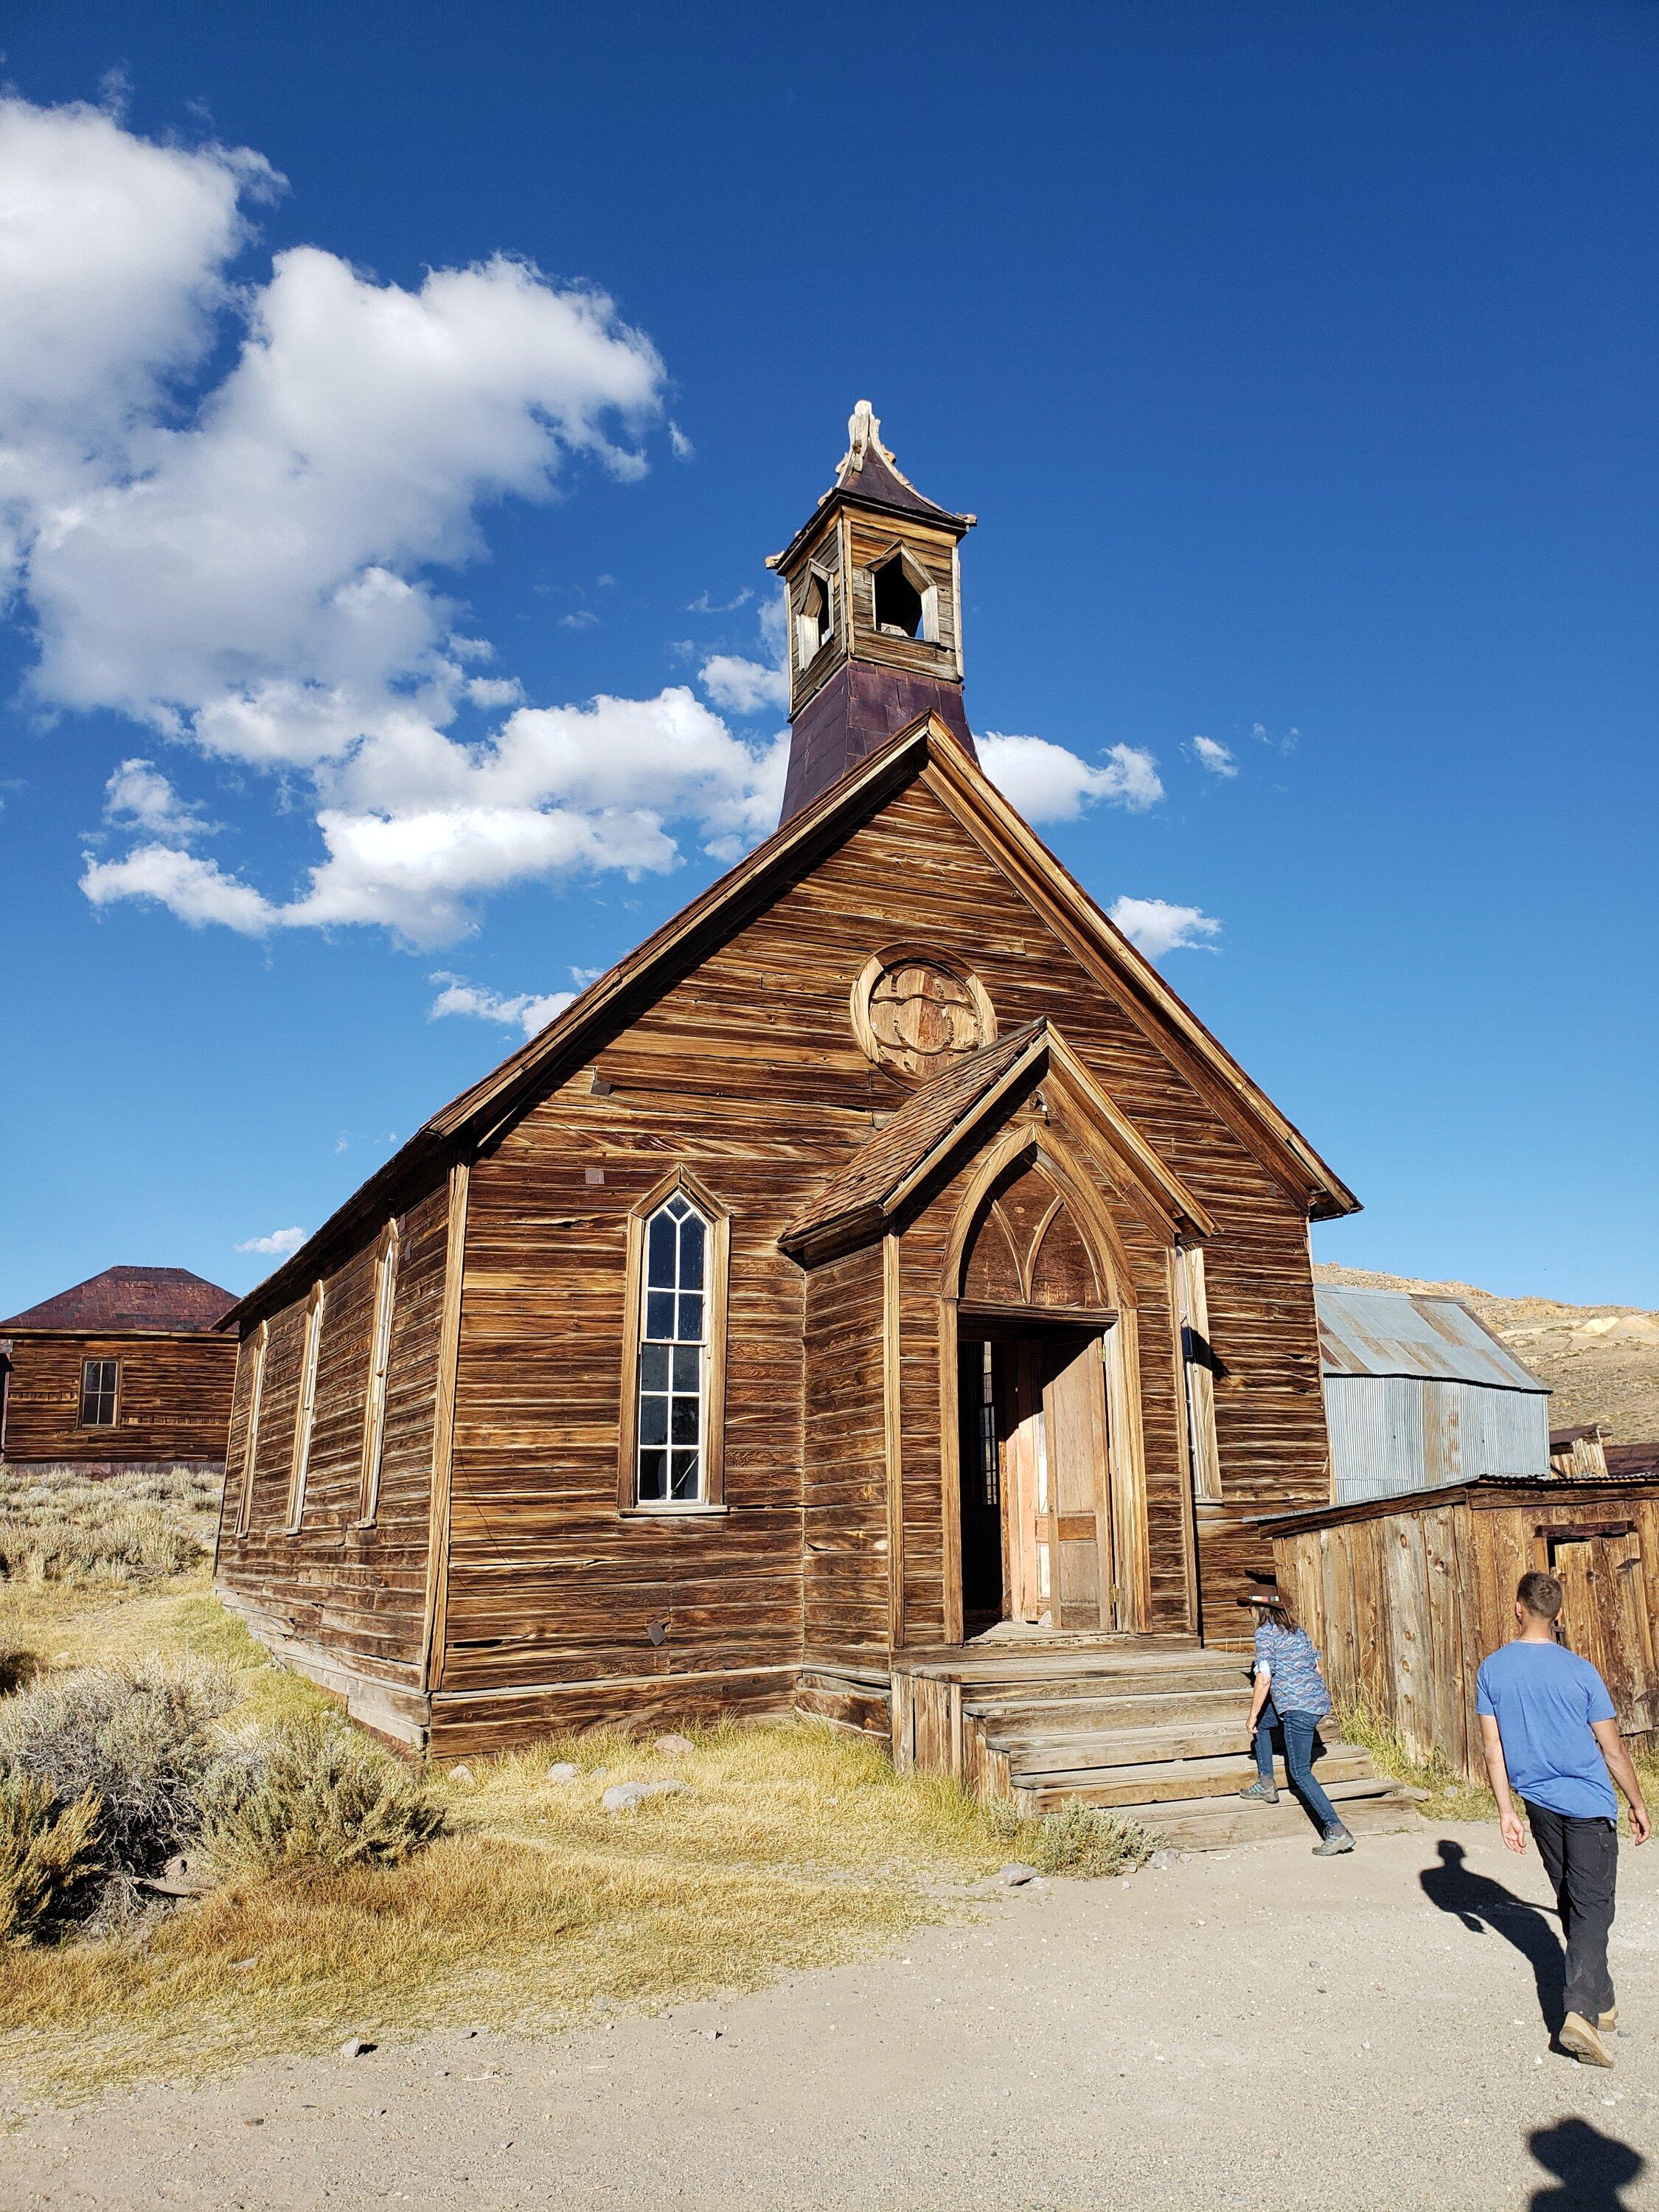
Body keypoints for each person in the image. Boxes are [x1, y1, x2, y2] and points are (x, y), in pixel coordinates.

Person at [1477, 1568, 1650, 2068]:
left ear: (1518, 1608)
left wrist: (1506, 1811)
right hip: (1590, 1804)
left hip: (1538, 1804)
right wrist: (1637, 1803)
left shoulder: (1493, 1669)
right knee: (1593, 1907)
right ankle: (1578, 2013)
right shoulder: (1581, 1672)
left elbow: (1493, 1750)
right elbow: (1613, 1750)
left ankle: (1604, 2000)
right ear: (1558, 1616)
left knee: (1575, 1902)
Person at [1238, 1588, 1354, 1855]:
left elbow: (1264, 1677)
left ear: (1260, 1610)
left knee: (1300, 1771)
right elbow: (1316, 1668)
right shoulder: (1297, 1631)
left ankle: (1337, 1830)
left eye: (1250, 1609)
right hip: (1315, 1702)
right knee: (1265, 1726)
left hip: (1298, 1709)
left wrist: (1252, 1714)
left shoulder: (1265, 1634)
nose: (1249, 1613)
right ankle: (1267, 1782)